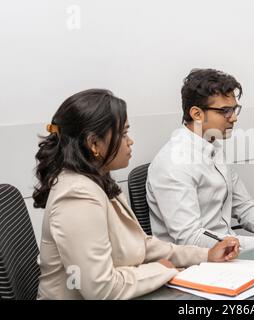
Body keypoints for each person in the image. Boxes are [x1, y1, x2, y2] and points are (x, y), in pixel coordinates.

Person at [32, 89, 239, 300]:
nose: (130, 142)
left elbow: (142, 244)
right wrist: (162, 269)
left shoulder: (97, 180)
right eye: (123, 134)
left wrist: (205, 255)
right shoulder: (76, 195)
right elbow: (101, 289)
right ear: (94, 144)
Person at [146, 68, 254, 251]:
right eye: (225, 111)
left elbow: (245, 206)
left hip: (228, 253)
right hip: (194, 263)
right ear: (197, 114)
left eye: (235, 109)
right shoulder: (173, 163)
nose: (234, 118)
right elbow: (190, 238)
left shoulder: (213, 147)